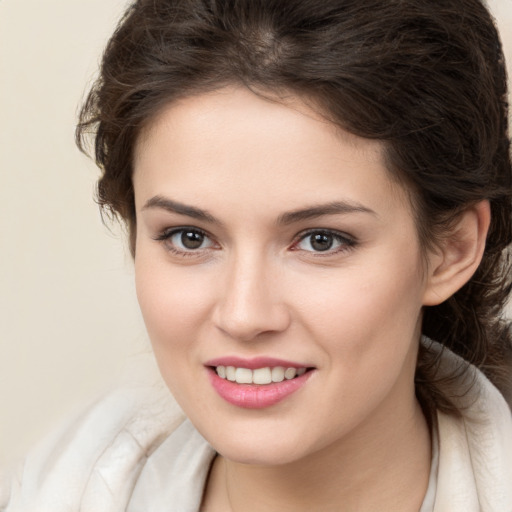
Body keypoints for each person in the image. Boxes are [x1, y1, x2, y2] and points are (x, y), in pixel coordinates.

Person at [2, 0, 512, 510]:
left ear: (451, 250)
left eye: (321, 240)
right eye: (190, 237)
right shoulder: (53, 491)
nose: (244, 315)